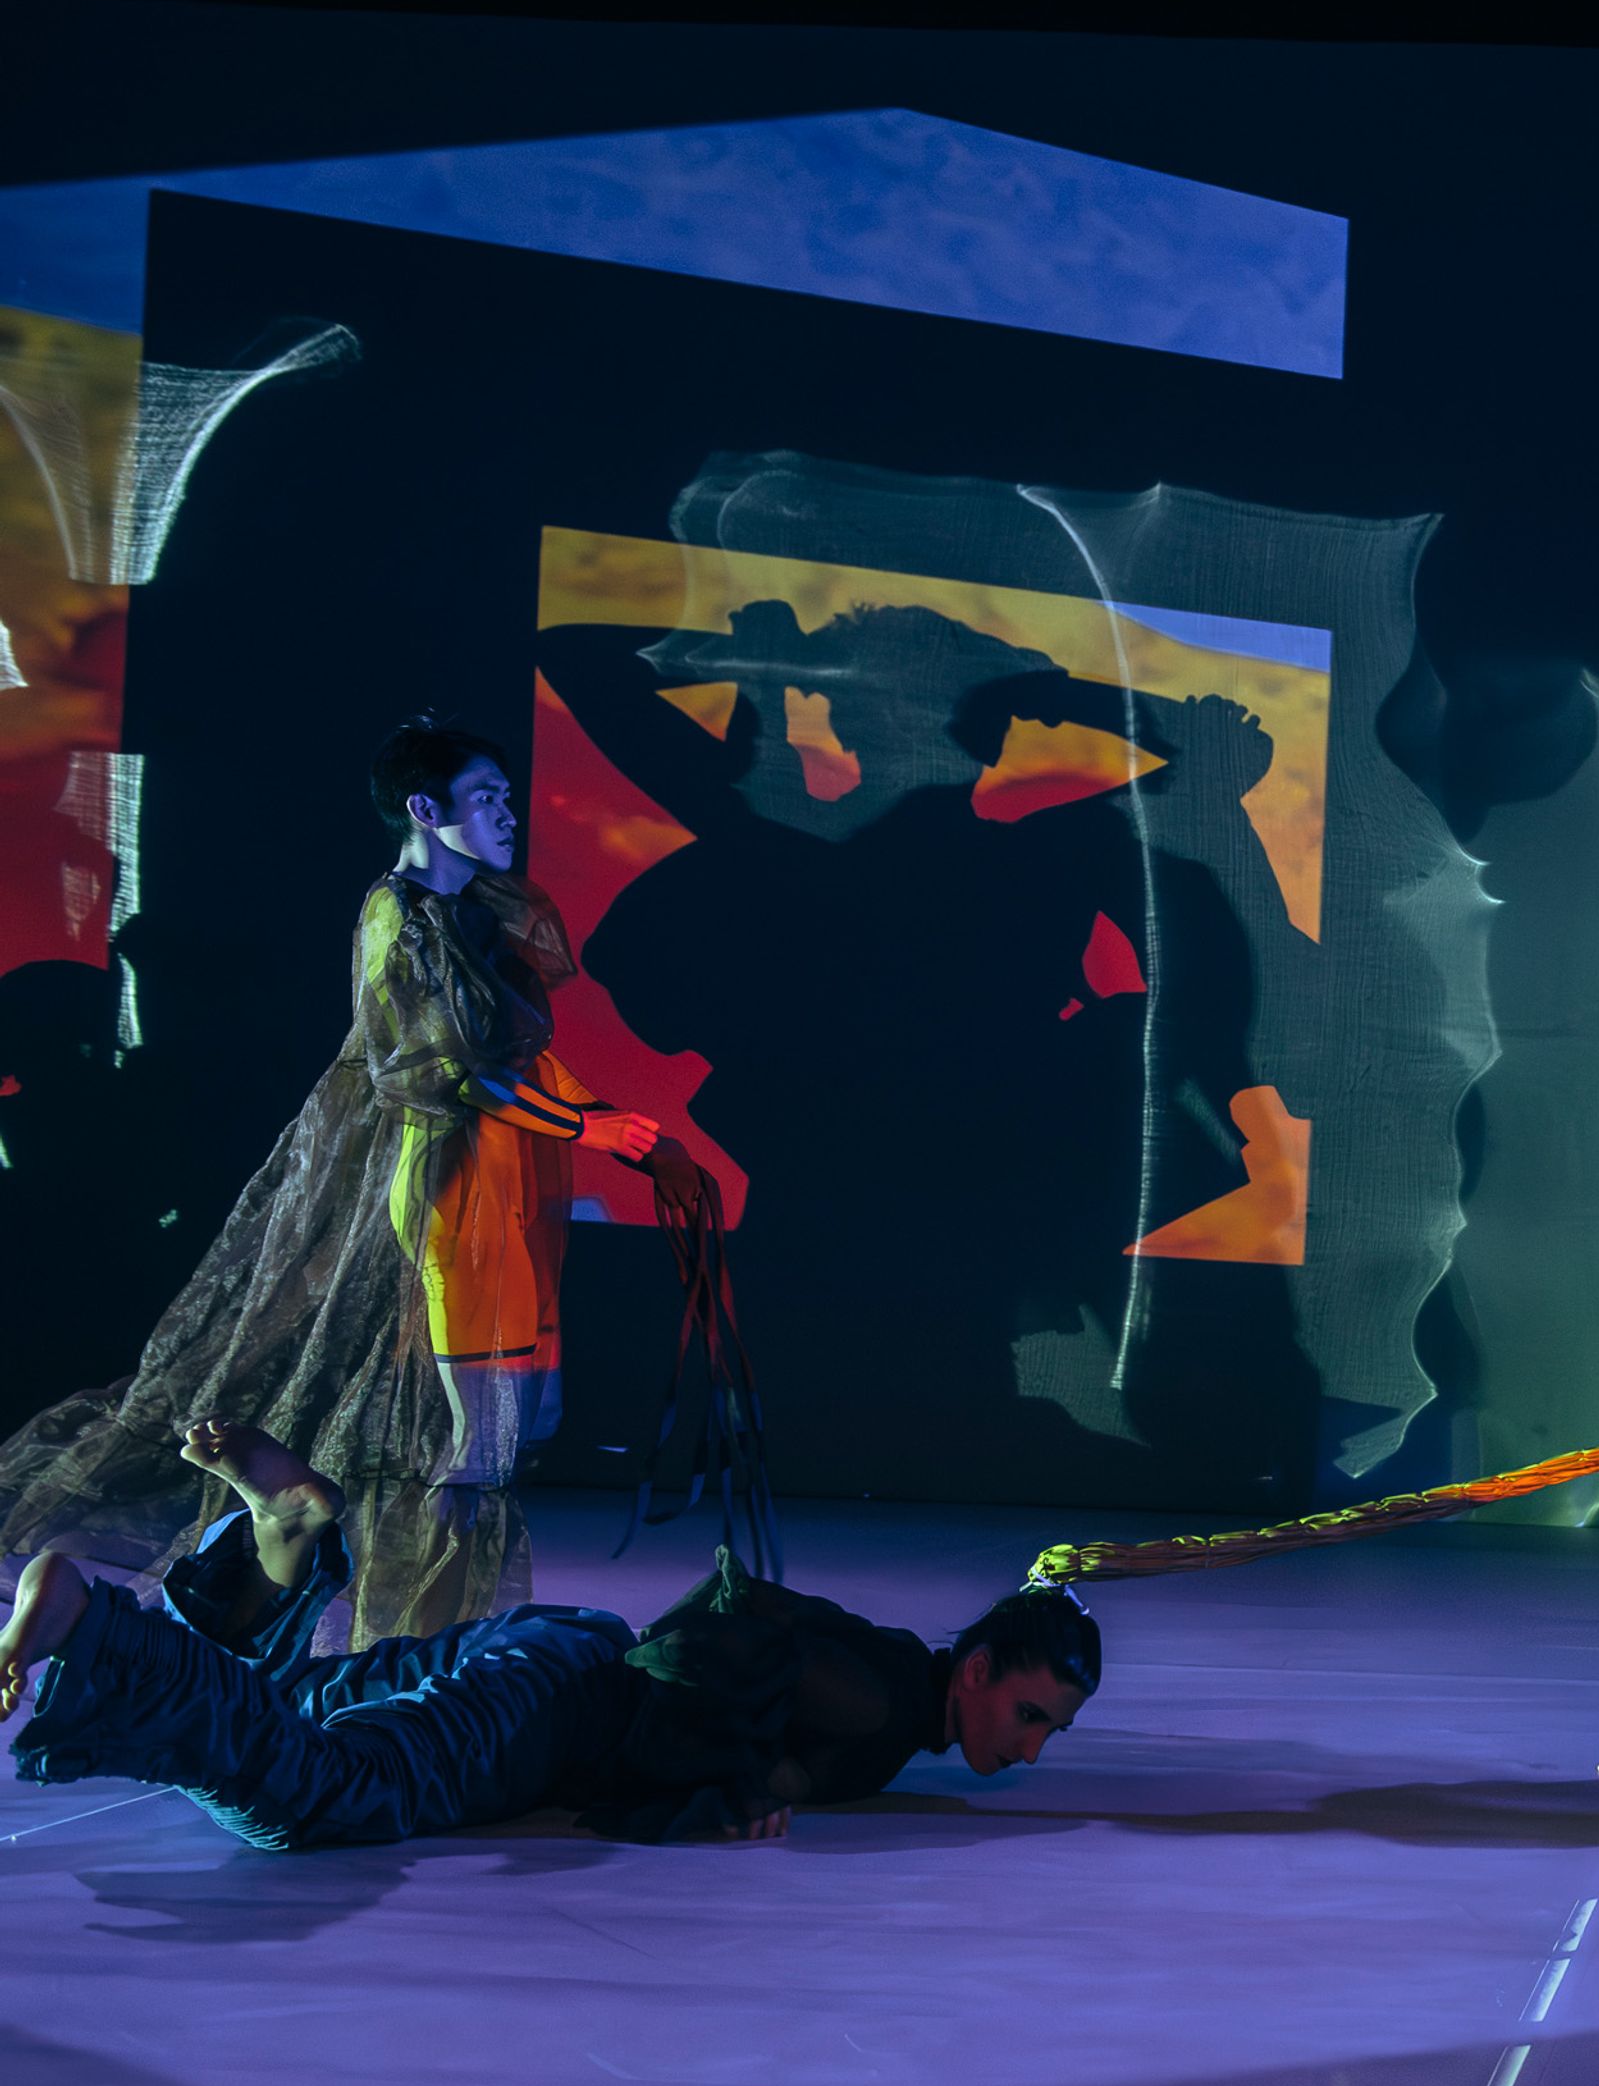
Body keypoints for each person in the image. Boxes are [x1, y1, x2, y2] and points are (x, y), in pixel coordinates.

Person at [0, 720, 663, 1638]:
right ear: (426, 810)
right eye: (487, 799)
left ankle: (439, 1631)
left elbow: (523, 1054)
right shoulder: (398, 914)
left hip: (508, 1177)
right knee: (471, 1437)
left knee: (516, 1422)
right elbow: (447, 1070)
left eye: (508, 798)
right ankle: (409, 1637)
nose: (509, 815)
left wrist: (616, 1131)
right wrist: (593, 1128)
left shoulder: (483, 909)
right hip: (450, 1180)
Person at [0, 1418, 1093, 1850]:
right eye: (1032, 1713)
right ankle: (96, 1623)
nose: (1031, 1746)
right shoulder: (888, 1701)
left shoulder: (905, 1696)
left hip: (549, 1658)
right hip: (557, 1698)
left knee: (294, 1707)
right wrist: (735, 1783)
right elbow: (734, 1624)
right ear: (982, 1668)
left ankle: (285, 1539)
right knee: (328, 1795)